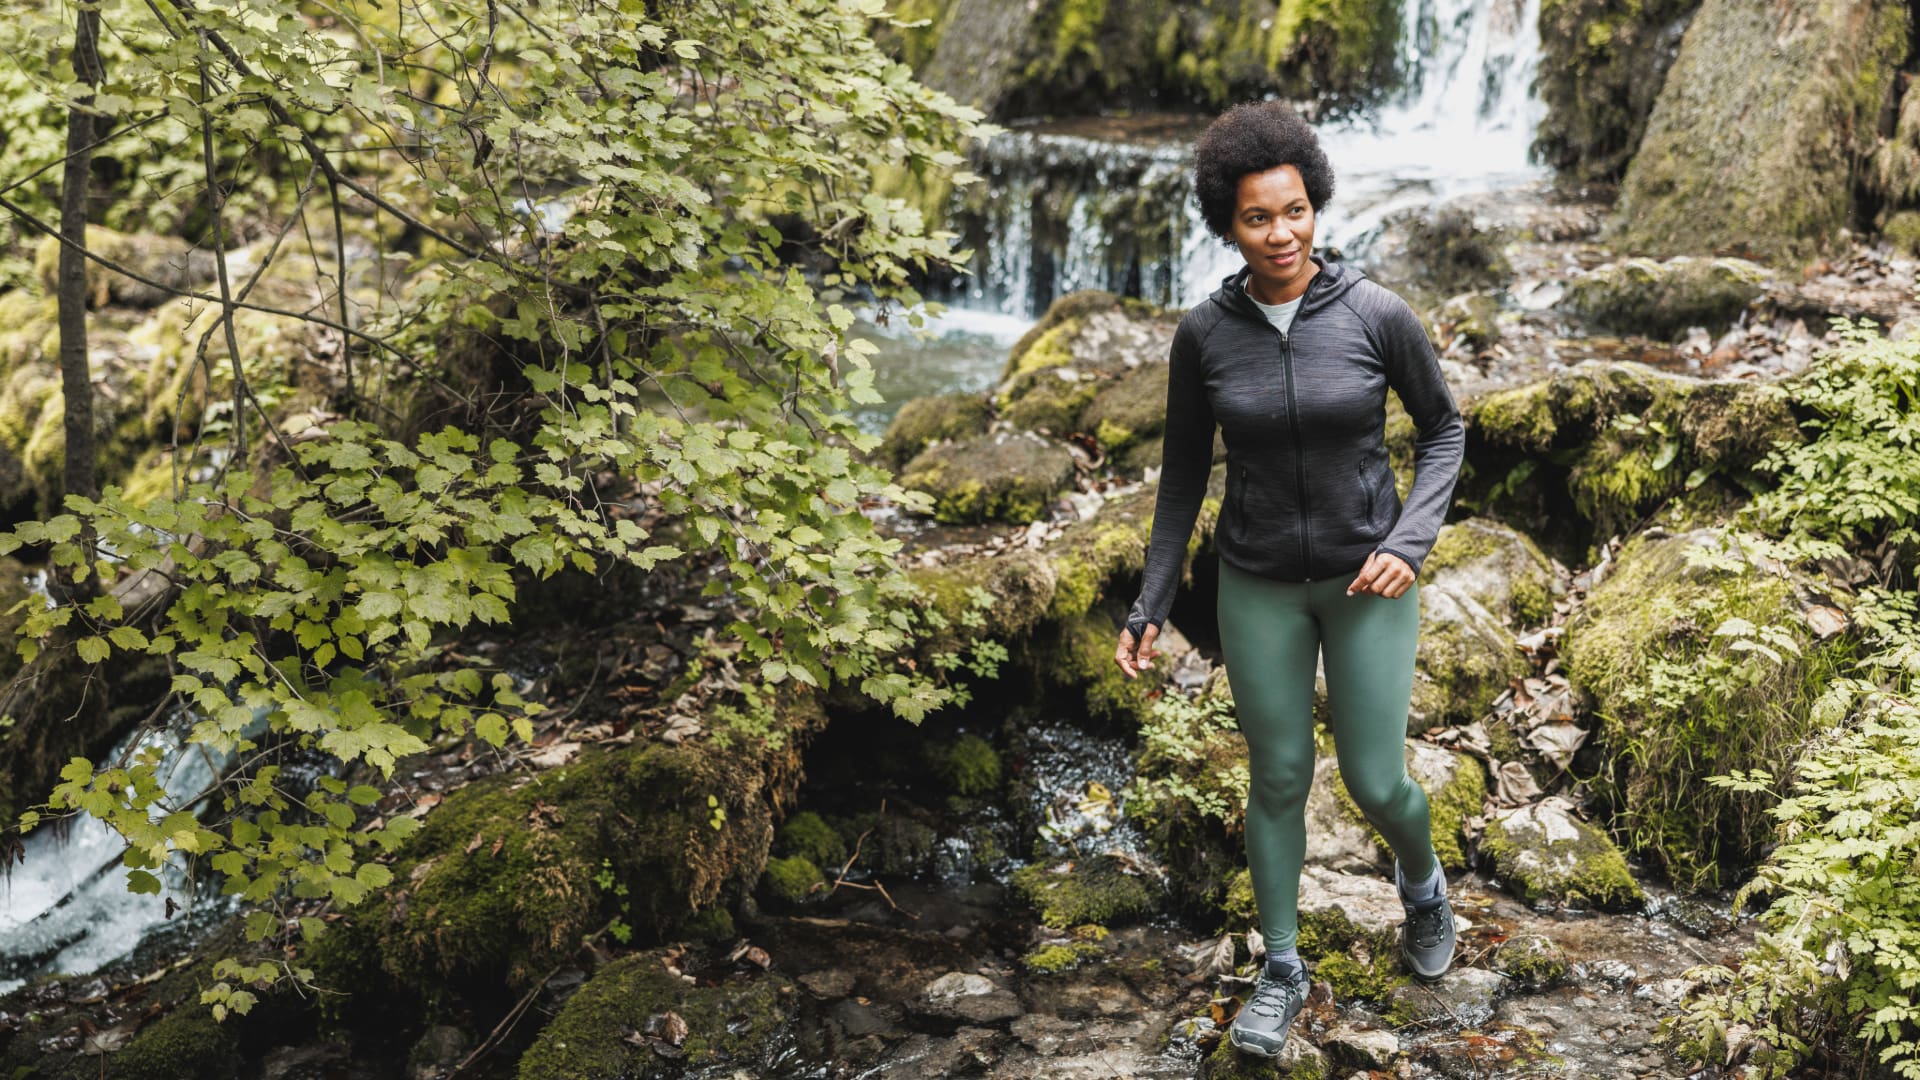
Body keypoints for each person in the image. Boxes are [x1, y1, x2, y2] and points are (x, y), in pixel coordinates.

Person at [1113, 101, 1466, 1060]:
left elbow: (1444, 430)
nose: (1282, 234)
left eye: (1296, 211)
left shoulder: (1375, 314)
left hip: (1367, 581)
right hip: (1257, 582)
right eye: (1258, 217)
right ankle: (1280, 968)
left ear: (1317, 206)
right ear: (1228, 225)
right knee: (1276, 775)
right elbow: (1183, 475)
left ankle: (1424, 885)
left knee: (1376, 781)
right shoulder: (1205, 335)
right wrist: (1151, 602)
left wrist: (1410, 542)